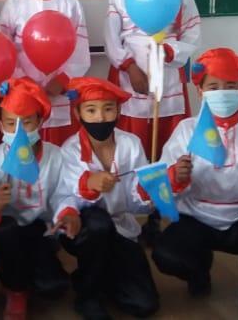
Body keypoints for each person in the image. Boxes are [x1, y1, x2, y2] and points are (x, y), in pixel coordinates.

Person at [151, 48, 238, 320]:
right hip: (196, 216)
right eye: (213, 87)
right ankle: (198, 273)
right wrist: (175, 176)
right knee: (166, 253)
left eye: (231, 86)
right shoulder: (186, 130)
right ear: (200, 91)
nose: (223, 93)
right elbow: (161, 183)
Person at [0, 77, 73, 319]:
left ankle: (35, 268)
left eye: (27, 122)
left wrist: (66, 213)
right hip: (6, 232)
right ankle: (16, 289)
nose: (19, 131)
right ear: (0, 125)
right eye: (11, 123)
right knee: (5, 233)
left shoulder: (56, 156)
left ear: (40, 121)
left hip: (40, 229)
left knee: (53, 287)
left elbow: (64, 194)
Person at [57, 77, 159, 320]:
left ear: (119, 111)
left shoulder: (131, 144)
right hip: (85, 230)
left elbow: (137, 205)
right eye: (91, 110)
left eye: (108, 109)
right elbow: (64, 196)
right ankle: (87, 296)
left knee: (144, 304)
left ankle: (101, 278)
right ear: (78, 113)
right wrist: (88, 184)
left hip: (122, 228)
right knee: (98, 224)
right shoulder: (70, 149)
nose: (101, 117)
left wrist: (147, 192)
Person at [105, 0, 201, 160]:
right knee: (131, 143)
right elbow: (111, 35)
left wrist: (170, 52)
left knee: (168, 145)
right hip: (129, 72)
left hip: (167, 71)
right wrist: (129, 67)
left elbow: (191, 30)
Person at [0, 0, 90, 146]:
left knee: (60, 148)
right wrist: (23, 82)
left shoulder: (70, 4)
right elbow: (4, 50)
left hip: (59, 92)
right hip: (23, 92)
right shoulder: (13, 5)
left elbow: (81, 48)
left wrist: (63, 80)